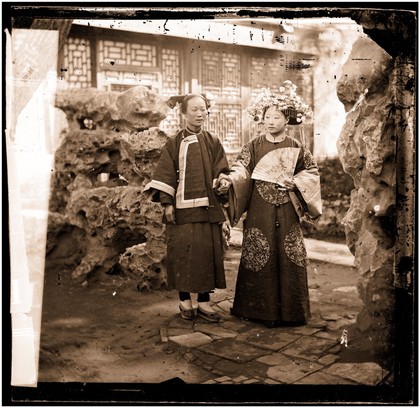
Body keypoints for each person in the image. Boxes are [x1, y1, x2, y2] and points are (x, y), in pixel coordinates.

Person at [218, 81, 322, 328]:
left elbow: (312, 172)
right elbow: (241, 168)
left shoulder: (296, 147)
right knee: (258, 252)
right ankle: (255, 310)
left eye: (277, 116)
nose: (271, 121)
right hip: (259, 208)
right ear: (261, 119)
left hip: (287, 208)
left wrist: (295, 182)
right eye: (267, 116)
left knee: (290, 253)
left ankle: (292, 312)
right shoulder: (253, 146)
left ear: (287, 120)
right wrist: (230, 180)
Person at [143, 93, 231, 323]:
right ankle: (185, 300)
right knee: (182, 253)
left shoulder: (213, 141)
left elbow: (222, 169)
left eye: (203, 109)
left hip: (207, 208)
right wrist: (167, 203)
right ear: (184, 113)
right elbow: (165, 174)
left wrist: (223, 181)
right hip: (181, 210)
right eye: (194, 110)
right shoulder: (174, 142)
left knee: (206, 253)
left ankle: (203, 301)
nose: (200, 114)